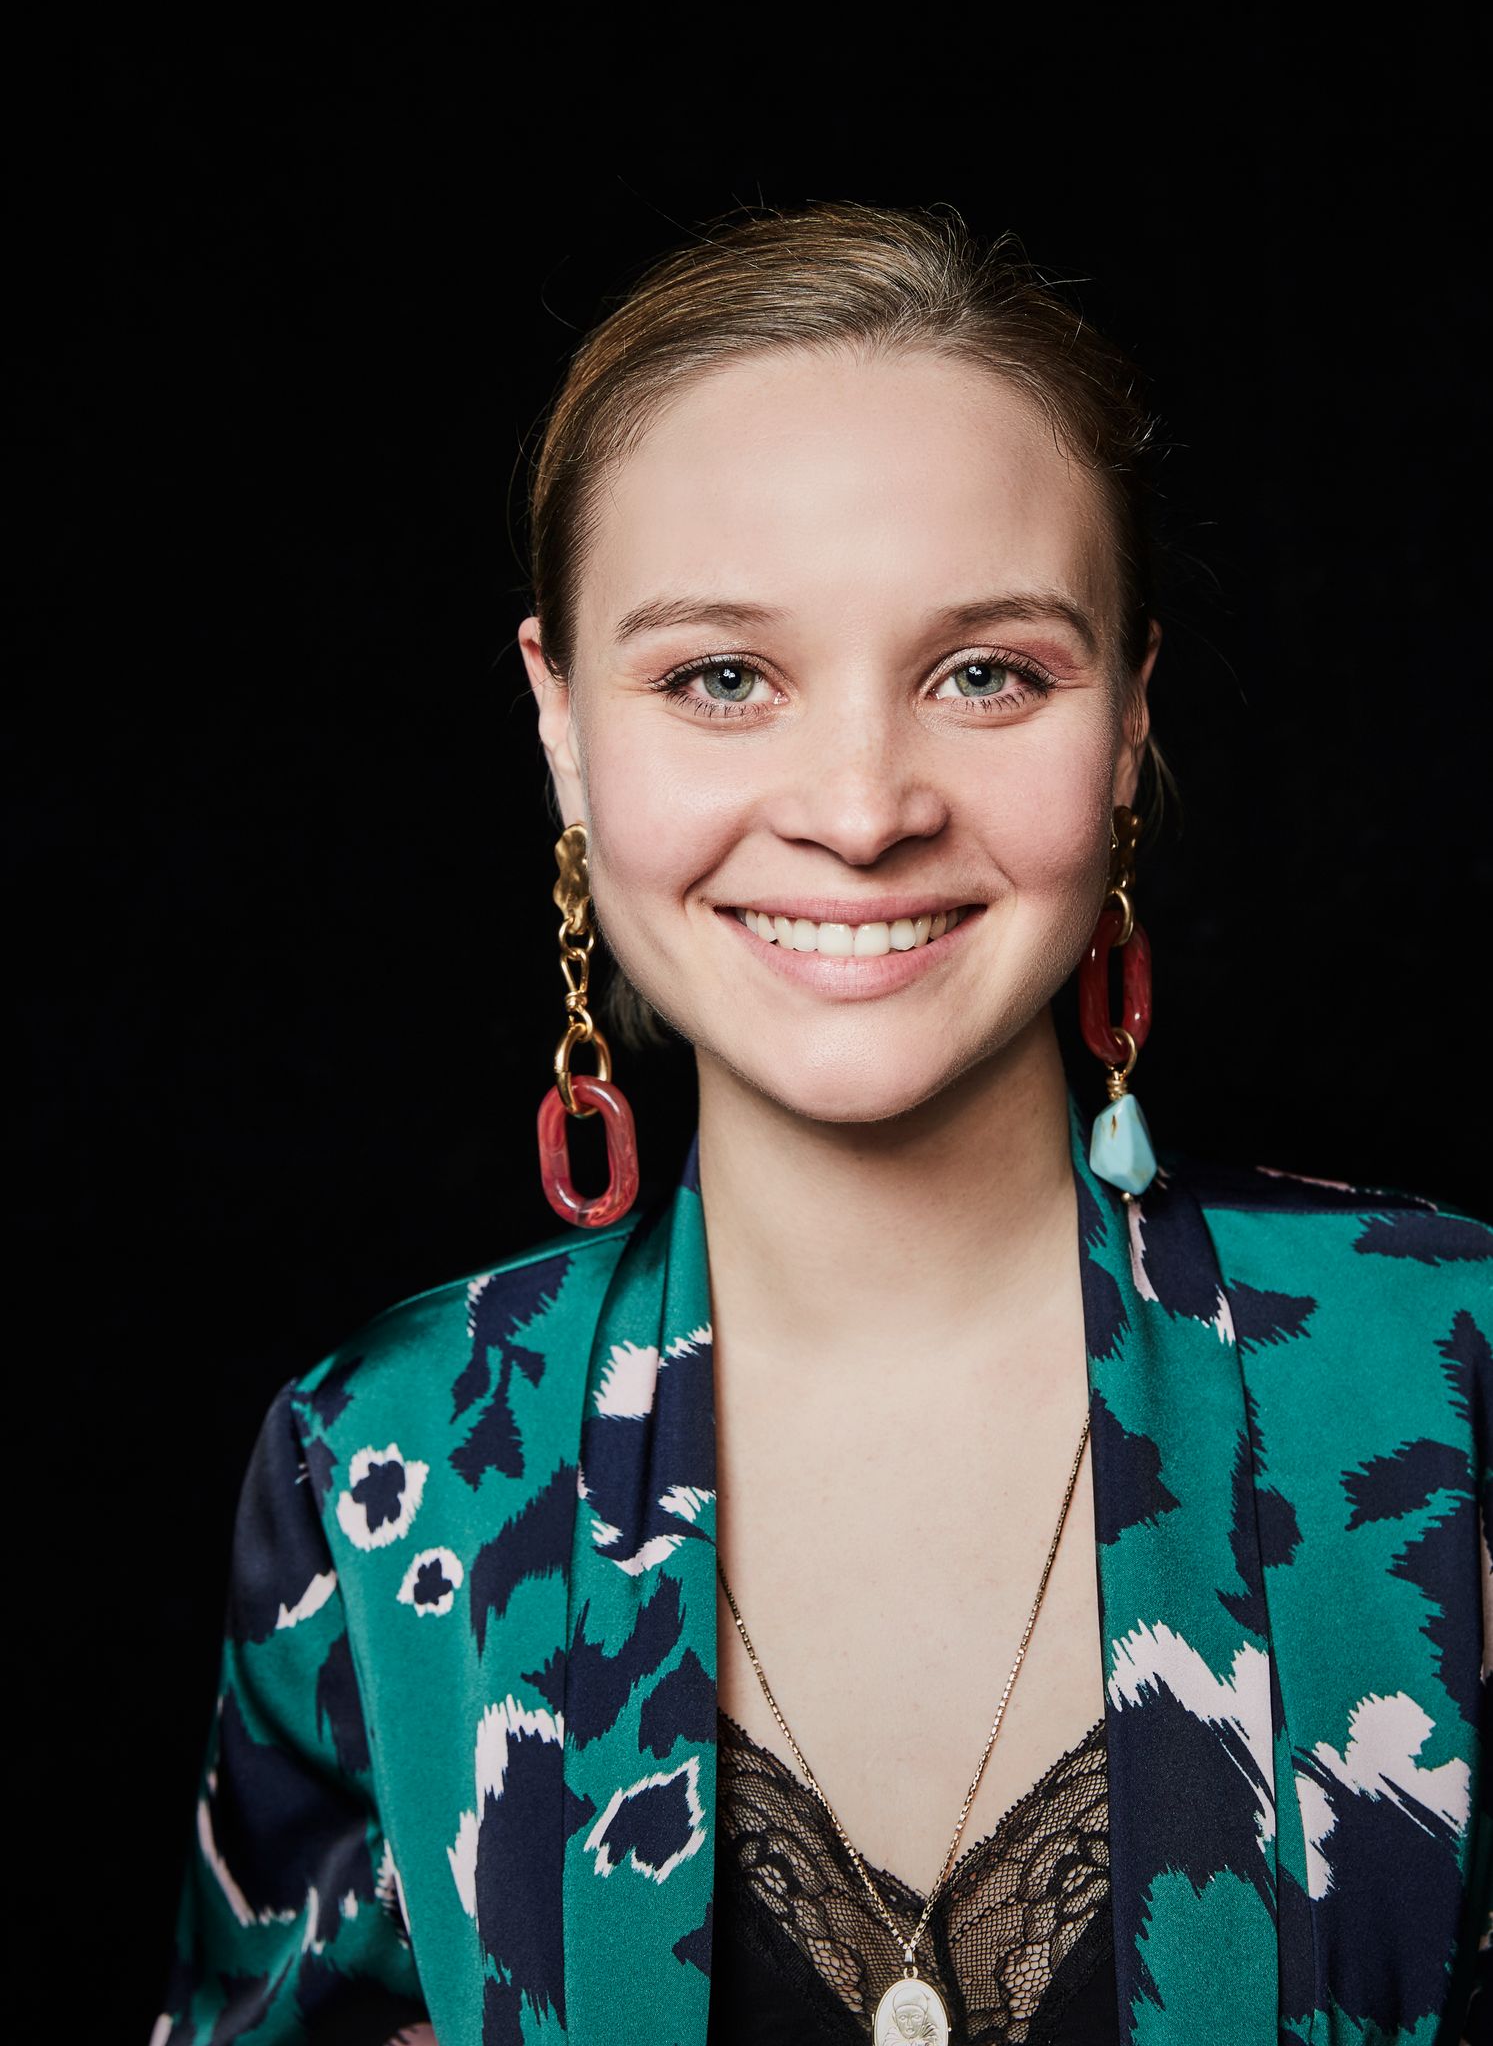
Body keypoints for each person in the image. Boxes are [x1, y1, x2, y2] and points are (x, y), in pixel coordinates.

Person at [157, 204, 1491, 2045]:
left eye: (985, 673)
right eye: (721, 678)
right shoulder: (380, 1470)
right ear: (561, 723)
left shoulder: (1451, 1378)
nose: (861, 811)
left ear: (1126, 721)